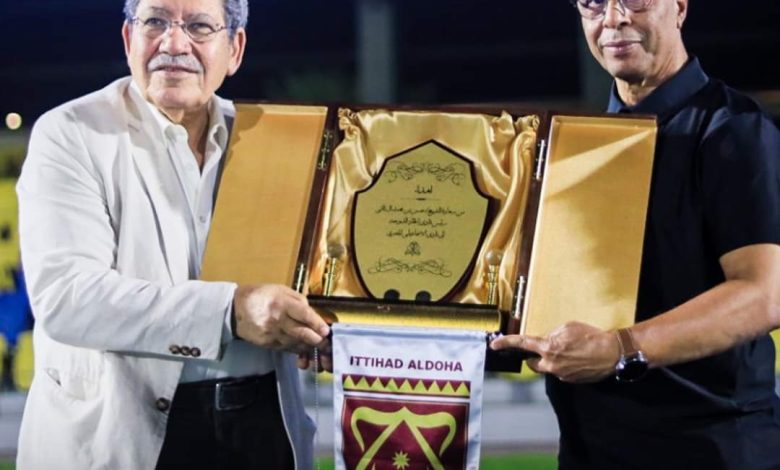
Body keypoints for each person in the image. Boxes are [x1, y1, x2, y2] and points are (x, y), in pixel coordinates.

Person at [15, 0, 330, 468]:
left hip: (262, 423)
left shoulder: (273, 138)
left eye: (199, 26)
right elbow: (68, 298)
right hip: (119, 434)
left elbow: (322, 269)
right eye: (156, 21)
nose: (174, 43)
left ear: (235, 49)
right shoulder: (71, 133)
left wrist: (333, 325)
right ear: (129, 39)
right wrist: (229, 311)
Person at [492, 0, 780, 468]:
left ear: (680, 8)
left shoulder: (734, 129)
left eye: (634, 0)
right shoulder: (576, 145)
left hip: (710, 450)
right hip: (590, 448)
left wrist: (619, 349)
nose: (613, 18)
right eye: (593, 3)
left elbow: (764, 293)